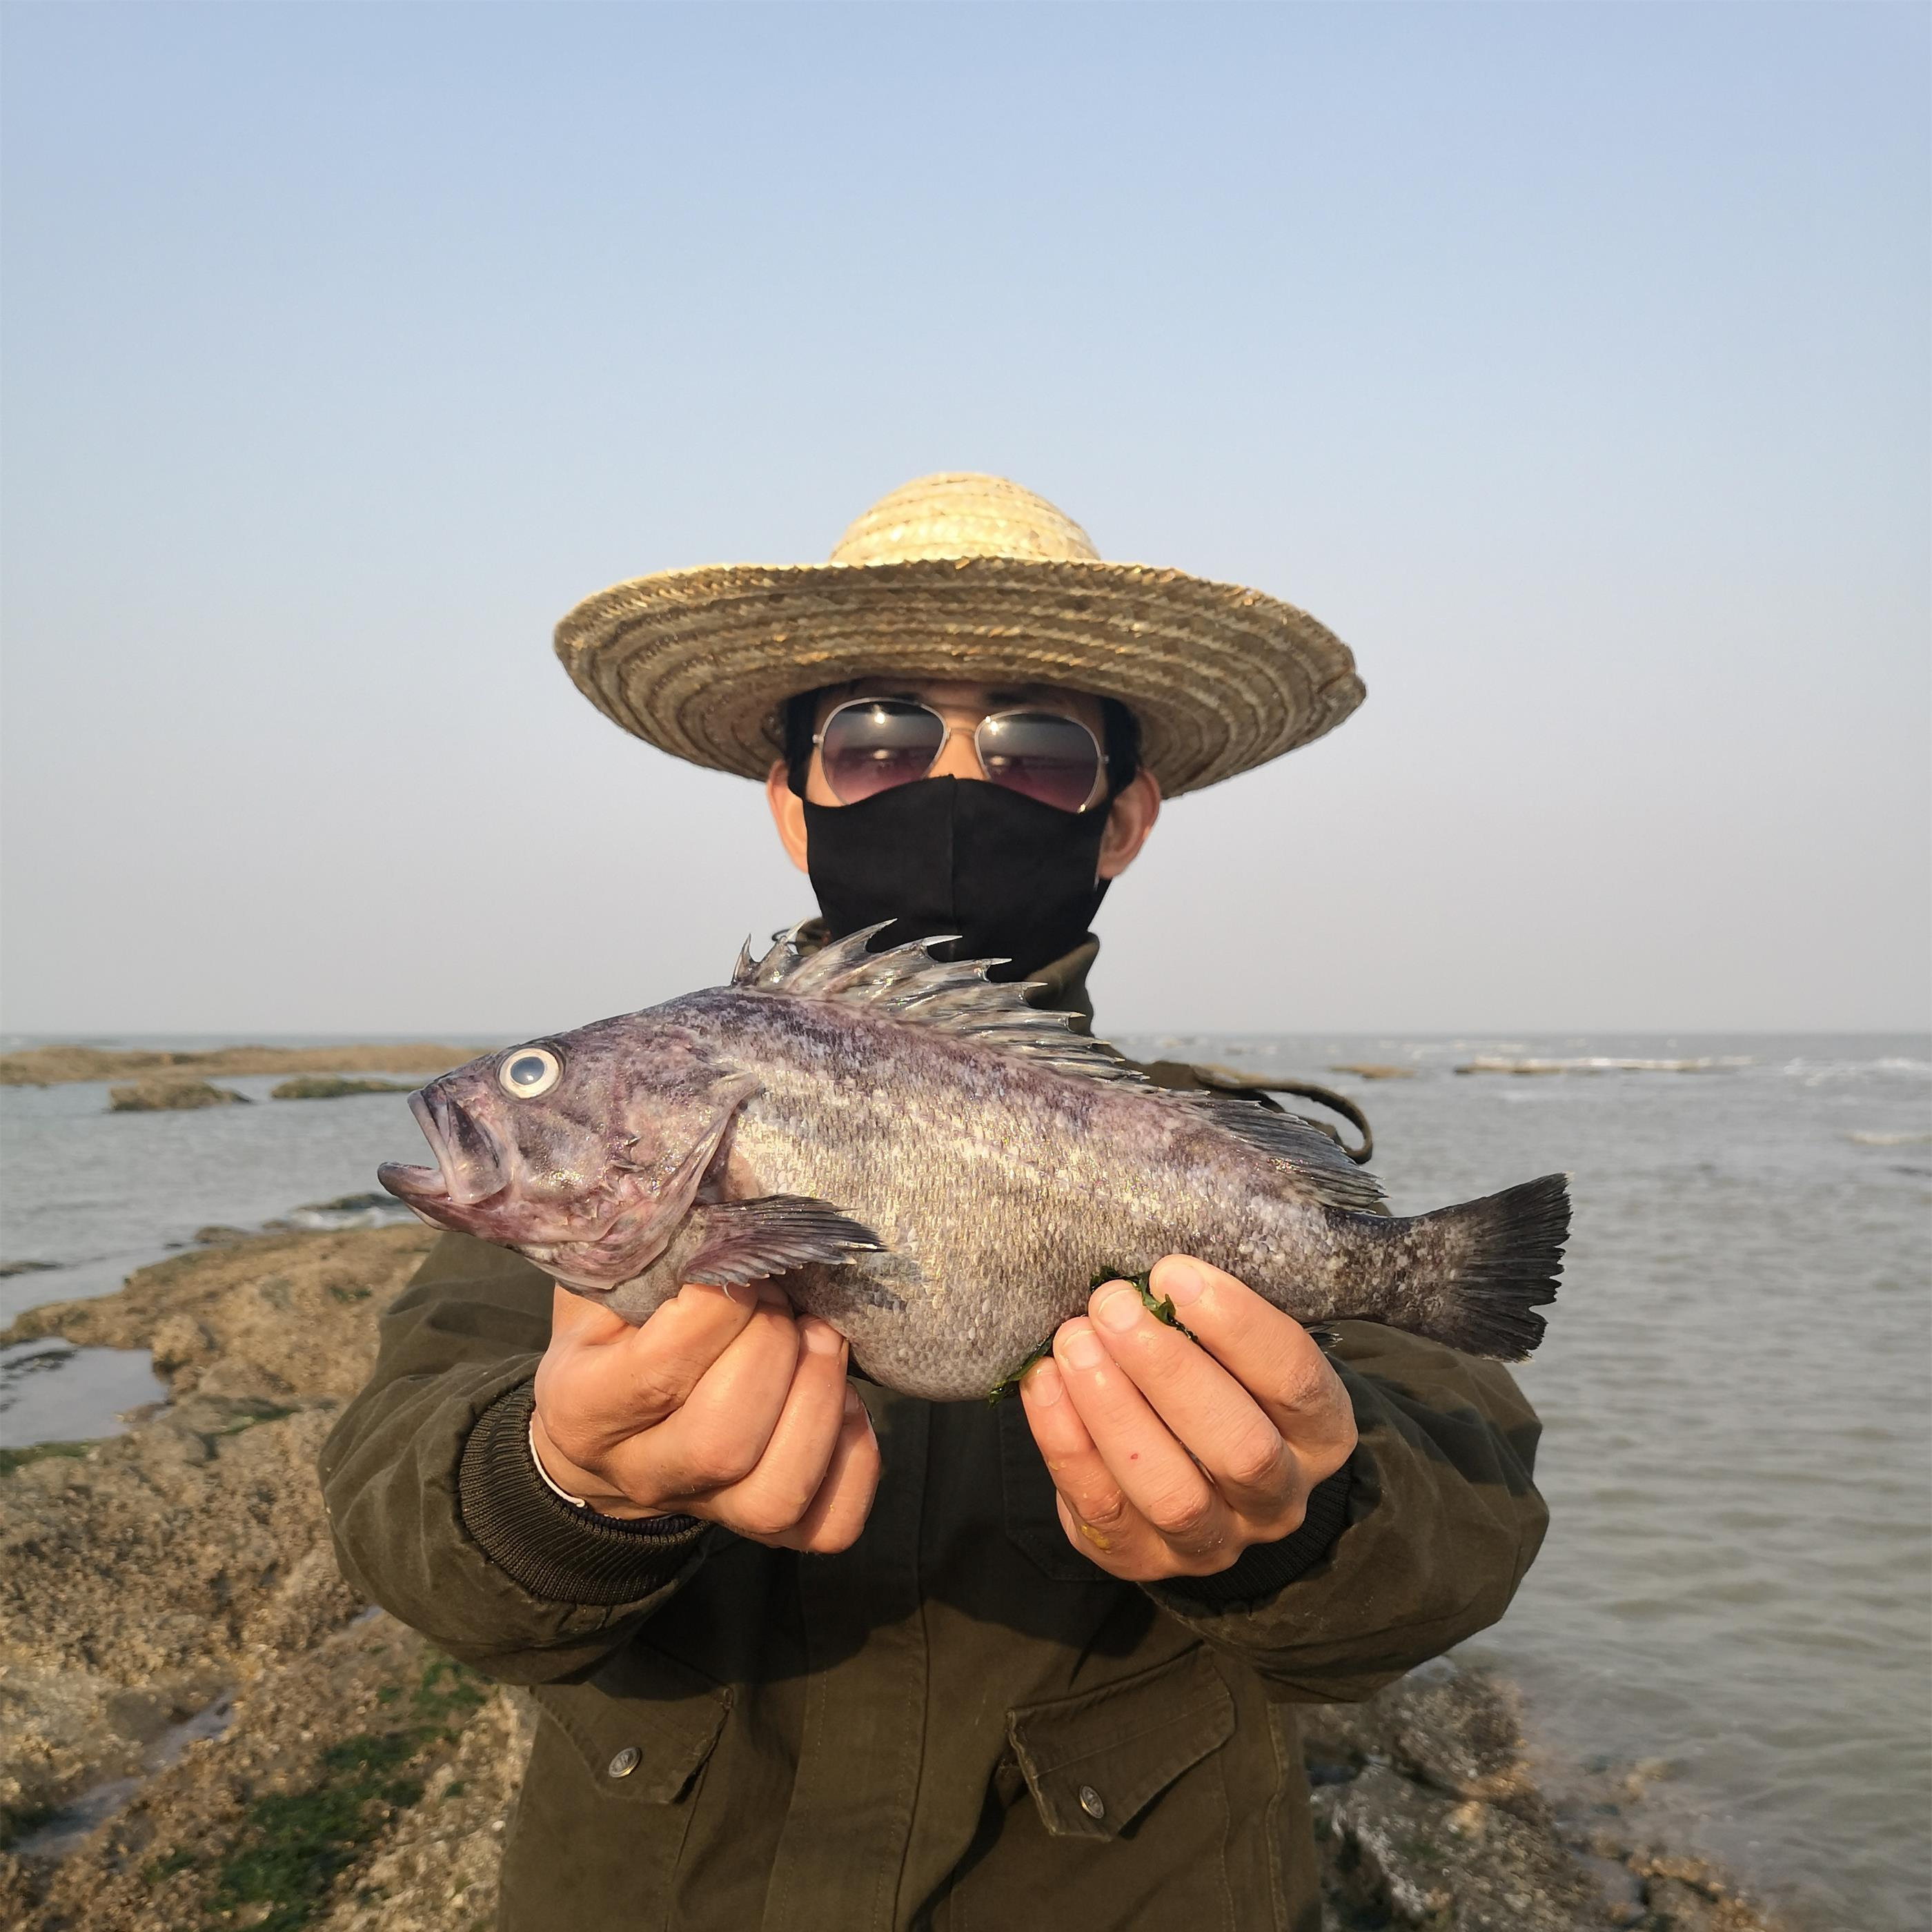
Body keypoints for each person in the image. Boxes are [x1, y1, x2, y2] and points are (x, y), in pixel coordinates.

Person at [320, 473, 1546, 1932]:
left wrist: (1296, 1517)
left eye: (1034, 748)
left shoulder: (1220, 1151)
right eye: (875, 739)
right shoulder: (582, 1214)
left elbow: (1465, 1530)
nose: (949, 784)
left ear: (1121, 817)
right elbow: (401, 1520)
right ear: (791, 801)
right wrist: (563, 1486)